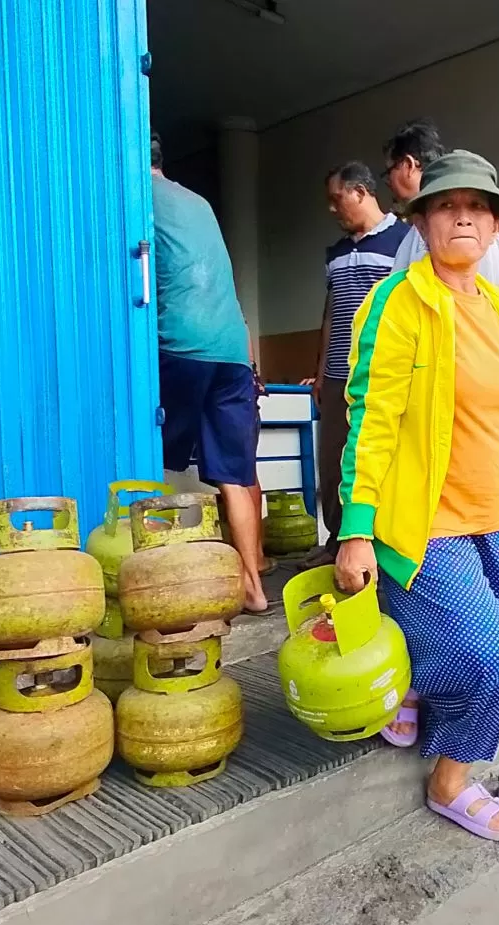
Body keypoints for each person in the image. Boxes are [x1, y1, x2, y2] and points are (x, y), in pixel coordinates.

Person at [333, 150, 499, 841]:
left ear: (496, 228)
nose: (466, 215)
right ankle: (450, 779)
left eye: (481, 206)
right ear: (422, 220)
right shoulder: (398, 301)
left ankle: (421, 688)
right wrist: (356, 526)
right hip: (426, 518)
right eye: (448, 204)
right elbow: (371, 416)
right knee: (484, 649)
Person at [150, 134, 268, 614]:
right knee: (234, 476)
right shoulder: (199, 201)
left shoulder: (134, 198)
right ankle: (254, 587)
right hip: (233, 351)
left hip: (181, 345)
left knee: (157, 461)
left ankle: (163, 581)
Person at [300, 162, 410, 567]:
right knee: (333, 464)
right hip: (335, 378)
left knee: (378, 460)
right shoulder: (336, 252)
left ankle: (378, 546)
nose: (332, 209)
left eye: (337, 199)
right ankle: (336, 544)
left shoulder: (403, 242)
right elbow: (330, 314)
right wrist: (321, 369)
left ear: (361, 192)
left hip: (379, 374)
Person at [382, 119, 499, 286]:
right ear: (422, 226)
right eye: (446, 206)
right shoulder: (418, 229)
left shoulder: (468, 232)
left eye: (389, 172)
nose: (463, 218)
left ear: (408, 165)